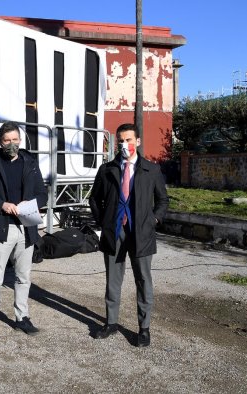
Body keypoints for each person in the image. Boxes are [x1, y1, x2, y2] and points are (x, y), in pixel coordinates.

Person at [89, 123, 168, 347]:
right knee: (113, 280)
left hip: (141, 233)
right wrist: (103, 221)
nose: (125, 144)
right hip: (114, 232)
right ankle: (111, 323)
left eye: (129, 140)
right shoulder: (107, 170)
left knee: (143, 280)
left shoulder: (151, 170)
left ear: (138, 141)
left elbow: (163, 200)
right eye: (121, 140)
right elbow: (94, 199)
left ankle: (144, 328)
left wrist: (153, 220)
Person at [0, 121, 47, 342]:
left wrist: (31, 203)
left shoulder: (30, 163)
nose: (11, 144)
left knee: (23, 276)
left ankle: (22, 317)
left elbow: (42, 193)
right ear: (0, 141)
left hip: (26, 226)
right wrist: (1, 205)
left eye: (15, 140)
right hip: (1, 227)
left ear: (20, 140)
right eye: (7, 140)